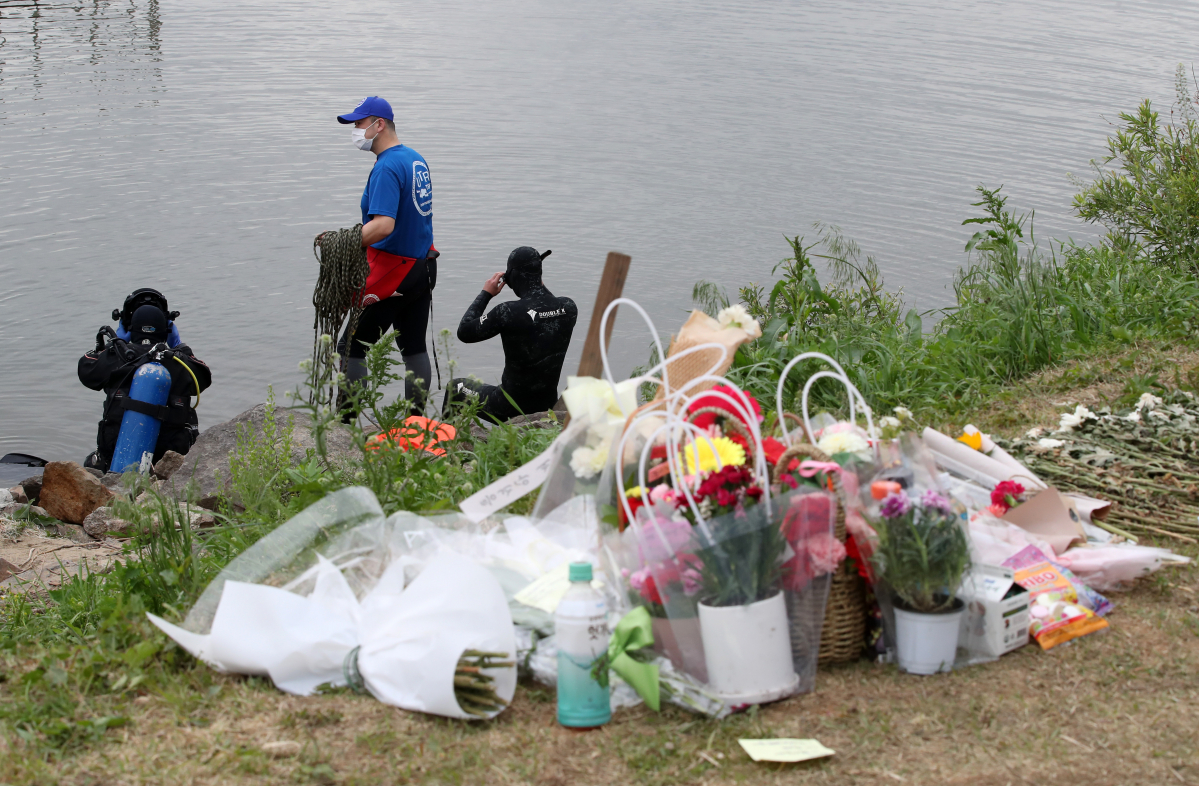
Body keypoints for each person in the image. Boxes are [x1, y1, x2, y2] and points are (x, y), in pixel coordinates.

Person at [325, 96, 437, 419]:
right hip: (423, 266)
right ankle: (415, 423)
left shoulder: (387, 166)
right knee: (413, 347)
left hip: (395, 271)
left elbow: (384, 225)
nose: (356, 130)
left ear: (379, 124)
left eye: (359, 124)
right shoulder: (415, 159)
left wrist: (342, 242)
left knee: (351, 347)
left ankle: (345, 427)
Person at [445, 246, 577, 423]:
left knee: (455, 388)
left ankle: (448, 445)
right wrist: (537, 283)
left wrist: (486, 294)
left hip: (508, 405)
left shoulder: (507, 311)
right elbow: (544, 305)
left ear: (513, 277)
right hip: (546, 404)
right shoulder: (568, 307)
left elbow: (465, 332)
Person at [79, 303, 211, 472]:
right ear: (166, 331)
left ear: (130, 330)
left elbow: (86, 369)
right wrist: (180, 346)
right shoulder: (180, 362)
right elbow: (204, 376)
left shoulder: (117, 357)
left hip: (115, 455)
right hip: (169, 460)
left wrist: (115, 344)